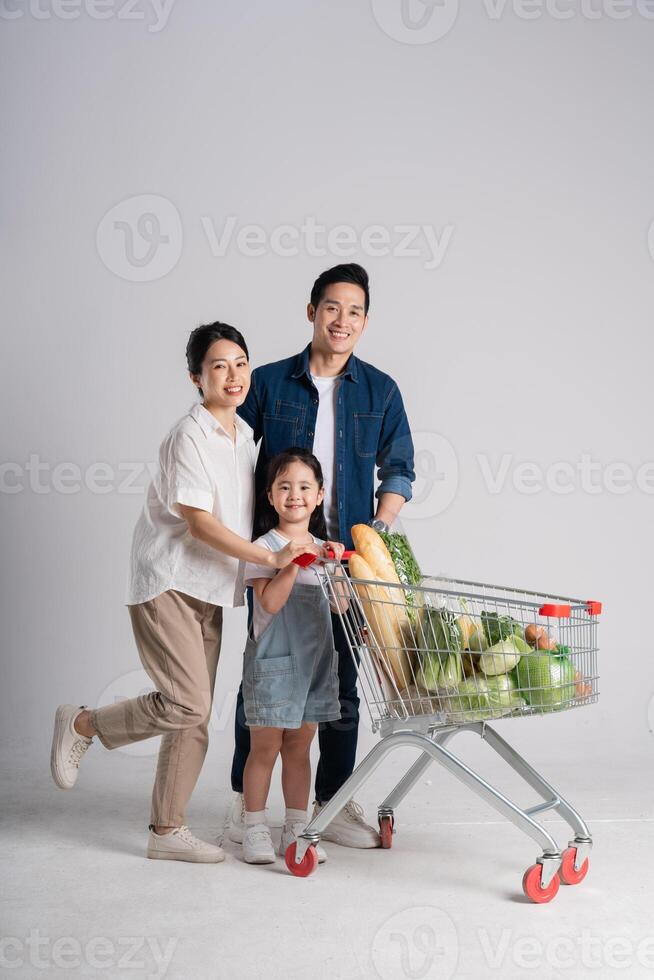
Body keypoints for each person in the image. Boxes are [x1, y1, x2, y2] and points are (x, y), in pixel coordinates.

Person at [50, 322, 316, 863]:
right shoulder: (188, 436)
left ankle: (166, 830)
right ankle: (83, 724)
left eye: (241, 363)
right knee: (187, 701)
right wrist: (268, 558)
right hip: (168, 580)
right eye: (219, 366)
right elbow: (197, 522)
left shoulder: (244, 437)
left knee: (193, 719)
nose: (234, 375)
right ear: (196, 378)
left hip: (213, 589)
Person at [229, 263, 415, 848]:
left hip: (345, 563)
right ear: (312, 312)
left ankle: (330, 803)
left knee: (340, 687)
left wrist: (375, 533)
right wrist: (243, 542)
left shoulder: (381, 390)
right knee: (264, 677)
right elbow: (231, 452)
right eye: (332, 307)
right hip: (278, 554)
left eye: (354, 311)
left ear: (365, 321)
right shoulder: (269, 382)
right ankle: (246, 807)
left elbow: (400, 468)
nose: (342, 320)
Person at [239, 449, 349, 864]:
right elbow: (267, 603)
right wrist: (290, 563)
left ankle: (296, 827)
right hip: (274, 666)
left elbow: (339, 606)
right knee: (265, 748)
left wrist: (334, 567)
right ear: (270, 496)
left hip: (313, 667)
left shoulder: (324, 549)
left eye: (304, 487)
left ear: (319, 495)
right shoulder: (263, 548)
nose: (294, 495)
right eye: (284, 487)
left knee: (300, 749)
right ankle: (253, 828)